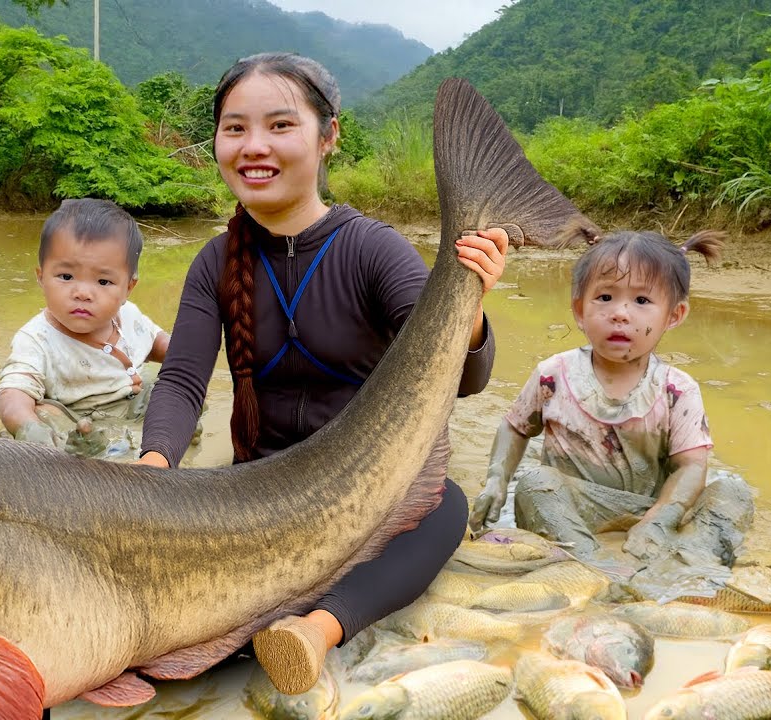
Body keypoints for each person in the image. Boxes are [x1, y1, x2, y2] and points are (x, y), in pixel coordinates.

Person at [136, 52, 509, 695]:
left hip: (375, 490)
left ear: (328, 135)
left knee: (446, 506)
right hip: (258, 490)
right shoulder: (214, 262)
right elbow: (181, 381)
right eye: (235, 128)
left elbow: (463, 380)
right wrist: (150, 472)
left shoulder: (371, 248)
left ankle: (321, 630)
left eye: (280, 125)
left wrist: (469, 306)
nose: (255, 147)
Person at [469, 230, 727, 565]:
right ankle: (590, 565)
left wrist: (659, 521)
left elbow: (691, 467)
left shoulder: (677, 390)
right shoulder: (554, 375)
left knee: (730, 493)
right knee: (535, 483)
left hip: (650, 510)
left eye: (642, 301)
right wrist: (496, 480)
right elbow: (515, 428)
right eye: (605, 297)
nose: (620, 313)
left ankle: (694, 566)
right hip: (571, 506)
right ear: (579, 310)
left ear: (673, 316)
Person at [0, 198, 170, 451]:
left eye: (103, 282)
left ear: (127, 289)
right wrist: (27, 426)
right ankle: (86, 446)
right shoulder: (36, 338)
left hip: (133, 404)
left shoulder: (130, 315)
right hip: (75, 417)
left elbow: (158, 344)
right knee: (45, 413)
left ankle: (175, 430)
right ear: (41, 277)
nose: (82, 293)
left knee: (168, 388)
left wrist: (190, 359)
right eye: (66, 277)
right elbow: (12, 393)